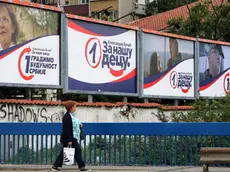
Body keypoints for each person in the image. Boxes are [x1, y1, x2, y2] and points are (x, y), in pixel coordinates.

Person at [52, 101, 91, 172]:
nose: (75, 108)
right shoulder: (67, 117)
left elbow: (73, 125)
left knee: (69, 151)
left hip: (72, 137)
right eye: (74, 106)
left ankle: (55, 166)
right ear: (71, 107)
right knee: (77, 150)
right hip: (69, 138)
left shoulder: (71, 116)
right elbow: (67, 129)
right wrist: (69, 140)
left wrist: (79, 125)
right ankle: (82, 167)